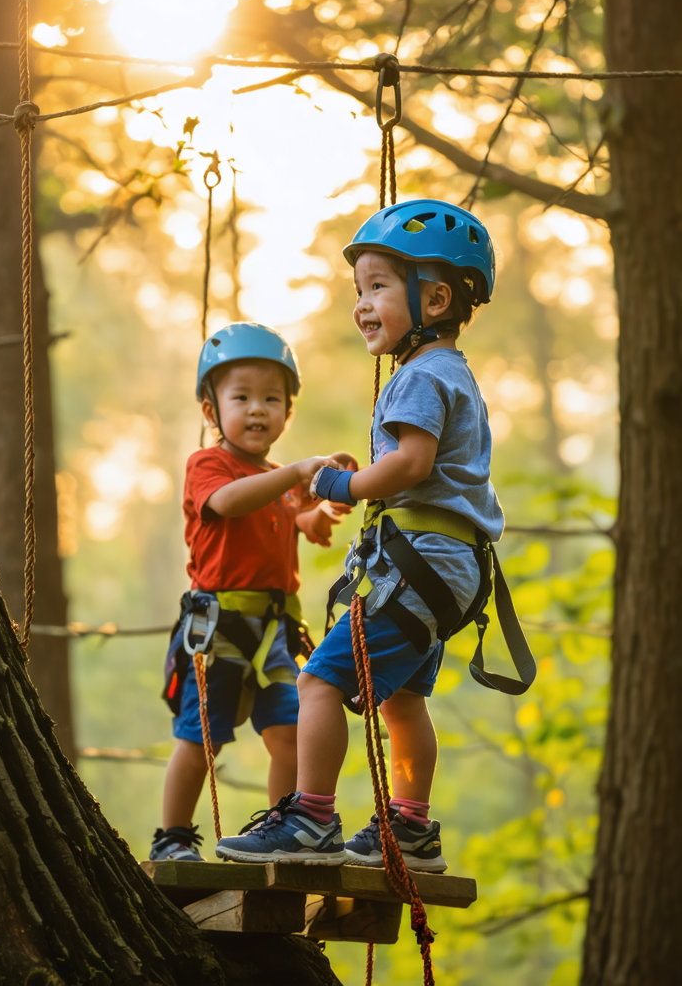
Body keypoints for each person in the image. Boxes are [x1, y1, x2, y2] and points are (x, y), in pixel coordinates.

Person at [215, 200, 514, 871]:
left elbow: (410, 464)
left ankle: (311, 819)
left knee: (319, 683)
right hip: (448, 570)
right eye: (359, 291)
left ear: (434, 297)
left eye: (377, 286)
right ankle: (410, 830)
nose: (363, 304)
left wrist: (340, 487)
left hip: (424, 563)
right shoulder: (448, 374)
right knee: (403, 700)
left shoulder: (421, 375)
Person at [150, 322, 355, 862]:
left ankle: (283, 830)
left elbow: (283, 516)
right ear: (209, 409)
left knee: (289, 732)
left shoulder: (273, 479)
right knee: (201, 738)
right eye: (241, 397)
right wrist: (294, 476)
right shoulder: (209, 466)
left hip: (276, 633)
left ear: (288, 410)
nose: (258, 409)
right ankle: (172, 836)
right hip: (219, 628)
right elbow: (227, 504)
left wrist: (314, 515)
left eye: (272, 398)